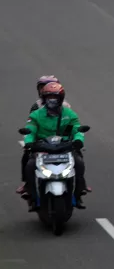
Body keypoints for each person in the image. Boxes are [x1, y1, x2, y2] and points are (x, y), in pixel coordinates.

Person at [21, 82, 88, 210]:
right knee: (29, 166)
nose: (52, 100)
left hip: (64, 147)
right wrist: (29, 142)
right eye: (49, 97)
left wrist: (78, 140)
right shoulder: (36, 115)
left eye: (55, 97)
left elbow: (76, 129)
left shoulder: (69, 114)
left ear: (61, 98)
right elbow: (30, 130)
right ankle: (32, 196)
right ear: (44, 99)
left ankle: (79, 193)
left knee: (79, 162)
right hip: (42, 148)